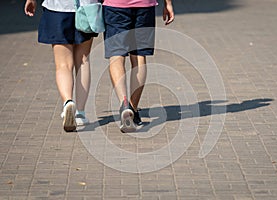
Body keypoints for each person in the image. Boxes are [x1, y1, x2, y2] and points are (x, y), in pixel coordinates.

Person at [24, 0, 98, 132]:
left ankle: (68, 102)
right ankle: (80, 113)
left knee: (63, 64)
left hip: (57, 8)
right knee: (83, 61)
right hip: (87, 7)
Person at [102, 0, 174, 133]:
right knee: (139, 56)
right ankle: (133, 109)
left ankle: (124, 104)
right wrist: (168, 3)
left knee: (116, 56)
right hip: (144, 6)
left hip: (115, 6)